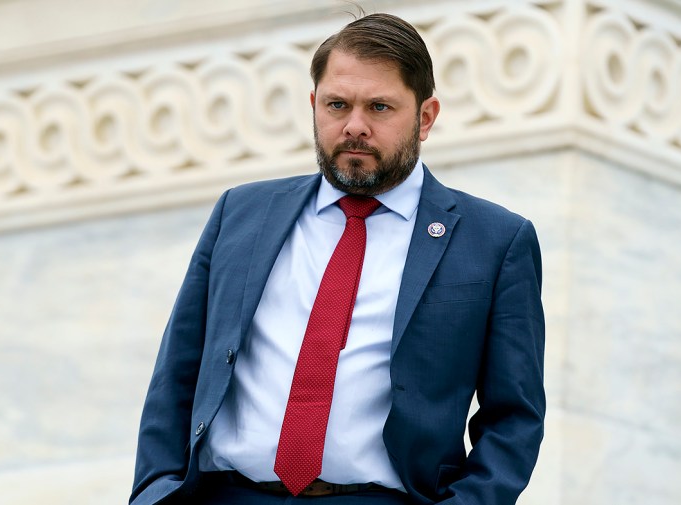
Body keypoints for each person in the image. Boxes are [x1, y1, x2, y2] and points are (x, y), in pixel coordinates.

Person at [130, 12, 545, 505]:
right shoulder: (240, 213)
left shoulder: (495, 240)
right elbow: (177, 372)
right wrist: (154, 492)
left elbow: (514, 416)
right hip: (226, 495)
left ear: (426, 116)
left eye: (380, 107)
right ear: (313, 106)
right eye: (337, 105)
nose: (355, 126)